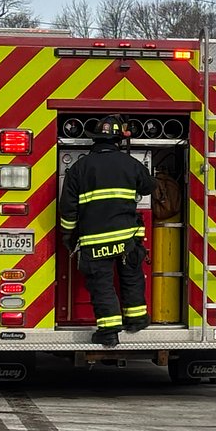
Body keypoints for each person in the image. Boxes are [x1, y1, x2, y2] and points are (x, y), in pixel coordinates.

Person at [58, 115, 153, 346]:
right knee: (131, 277)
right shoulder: (130, 164)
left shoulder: (79, 169)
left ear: (95, 140)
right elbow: (149, 187)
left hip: (95, 240)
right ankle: (137, 319)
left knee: (101, 283)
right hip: (127, 239)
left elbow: (68, 210)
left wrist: (68, 236)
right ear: (119, 140)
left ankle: (109, 332)